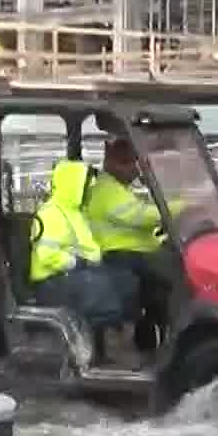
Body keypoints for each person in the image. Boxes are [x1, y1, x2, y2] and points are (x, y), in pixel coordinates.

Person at [30, 158, 139, 366]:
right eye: (85, 184)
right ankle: (108, 346)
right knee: (99, 287)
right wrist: (77, 263)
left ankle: (120, 340)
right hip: (52, 281)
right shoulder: (51, 213)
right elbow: (48, 255)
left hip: (76, 274)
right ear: (73, 185)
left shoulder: (75, 213)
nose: (89, 189)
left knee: (125, 279)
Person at [86, 137, 183, 353]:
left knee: (166, 277)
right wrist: (181, 208)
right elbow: (138, 216)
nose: (137, 173)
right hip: (119, 255)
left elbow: (140, 221)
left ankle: (157, 335)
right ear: (116, 165)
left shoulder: (117, 188)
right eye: (133, 166)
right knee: (178, 277)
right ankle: (178, 336)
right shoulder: (107, 191)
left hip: (134, 253)